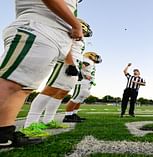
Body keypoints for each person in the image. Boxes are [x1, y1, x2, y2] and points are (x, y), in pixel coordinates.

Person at [0, 0, 82, 148]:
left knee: (24, 88)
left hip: (50, 34)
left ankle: (4, 134)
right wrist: (75, 24)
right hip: (39, 27)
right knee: (10, 83)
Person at [24, 19, 92, 130]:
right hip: (65, 64)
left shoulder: (80, 38)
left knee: (61, 93)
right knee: (50, 91)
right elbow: (66, 47)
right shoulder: (69, 32)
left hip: (75, 65)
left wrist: (77, 68)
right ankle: (30, 124)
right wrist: (70, 64)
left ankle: (48, 120)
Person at [63, 51, 102, 122]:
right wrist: (83, 75)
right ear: (91, 55)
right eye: (96, 56)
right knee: (75, 99)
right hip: (82, 82)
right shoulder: (87, 60)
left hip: (87, 83)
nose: (97, 58)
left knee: (79, 100)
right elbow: (78, 67)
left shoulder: (90, 62)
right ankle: (68, 116)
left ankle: (73, 114)